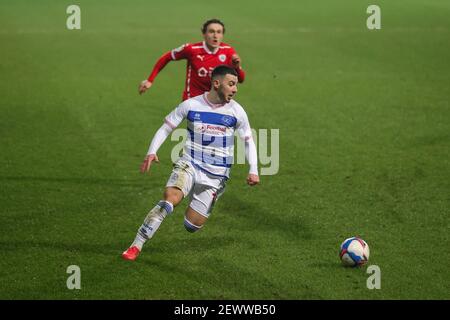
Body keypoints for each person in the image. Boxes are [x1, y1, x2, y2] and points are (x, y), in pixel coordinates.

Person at [123, 65, 259, 261]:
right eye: (231, 84)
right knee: (171, 198)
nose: (235, 89)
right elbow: (165, 128)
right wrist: (152, 151)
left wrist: (253, 169)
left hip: (216, 176)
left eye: (236, 85)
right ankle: (136, 244)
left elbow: (248, 141)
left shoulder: (237, 112)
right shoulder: (191, 105)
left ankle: (201, 198)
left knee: (192, 225)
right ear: (216, 83)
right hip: (190, 164)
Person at [138, 18, 246, 101]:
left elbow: (240, 80)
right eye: (211, 31)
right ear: (204, 34)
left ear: (222, 35)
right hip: (193, 100)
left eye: (219, 32)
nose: (215, 35)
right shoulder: (191, 49)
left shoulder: (228, 51)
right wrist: (150, 80)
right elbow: (167, 57)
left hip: (215, 101)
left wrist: (237, 68)